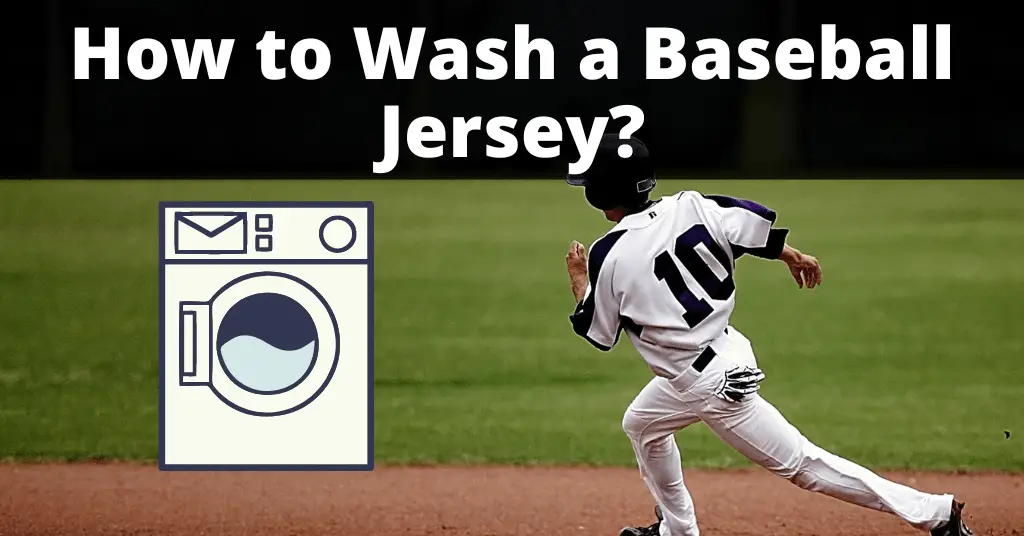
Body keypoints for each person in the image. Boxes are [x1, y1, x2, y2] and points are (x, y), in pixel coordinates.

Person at [563, 134, 974, 536]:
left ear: (601, 194)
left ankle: (935, 513)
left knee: (804, 466)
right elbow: (749, 226)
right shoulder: (691, 204)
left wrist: (581, 281)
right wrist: (790, 254)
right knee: (642, 425)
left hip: (706, 383)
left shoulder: (609, 252)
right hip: (724, 350)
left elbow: (599, 332)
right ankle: (678, 528)